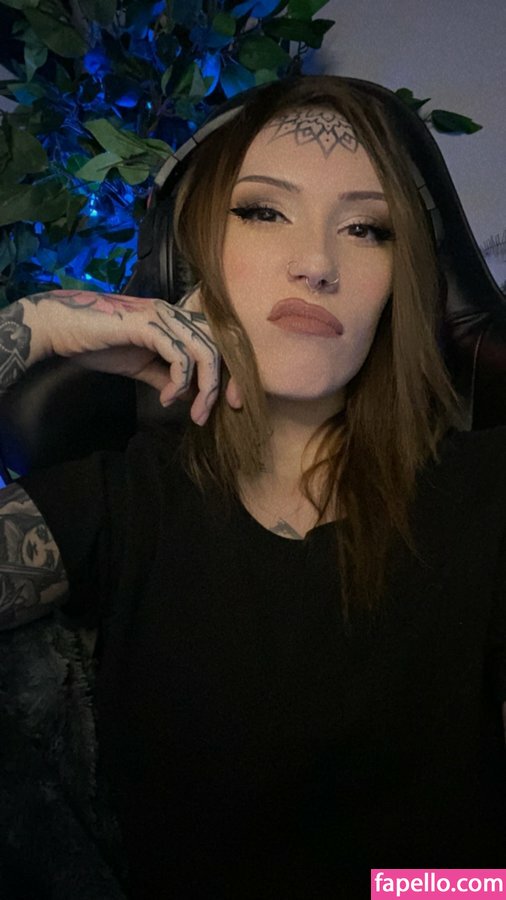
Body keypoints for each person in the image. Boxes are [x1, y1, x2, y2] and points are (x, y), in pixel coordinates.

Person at [0, 74, 505, 899]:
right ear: (199, 255)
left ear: (404, 280)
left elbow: (483, 883)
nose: (316, 263)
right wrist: (36, 325)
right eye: (264, 212)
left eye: (367, 228)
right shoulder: (124, 504)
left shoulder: (487, 495)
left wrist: (428, 889)